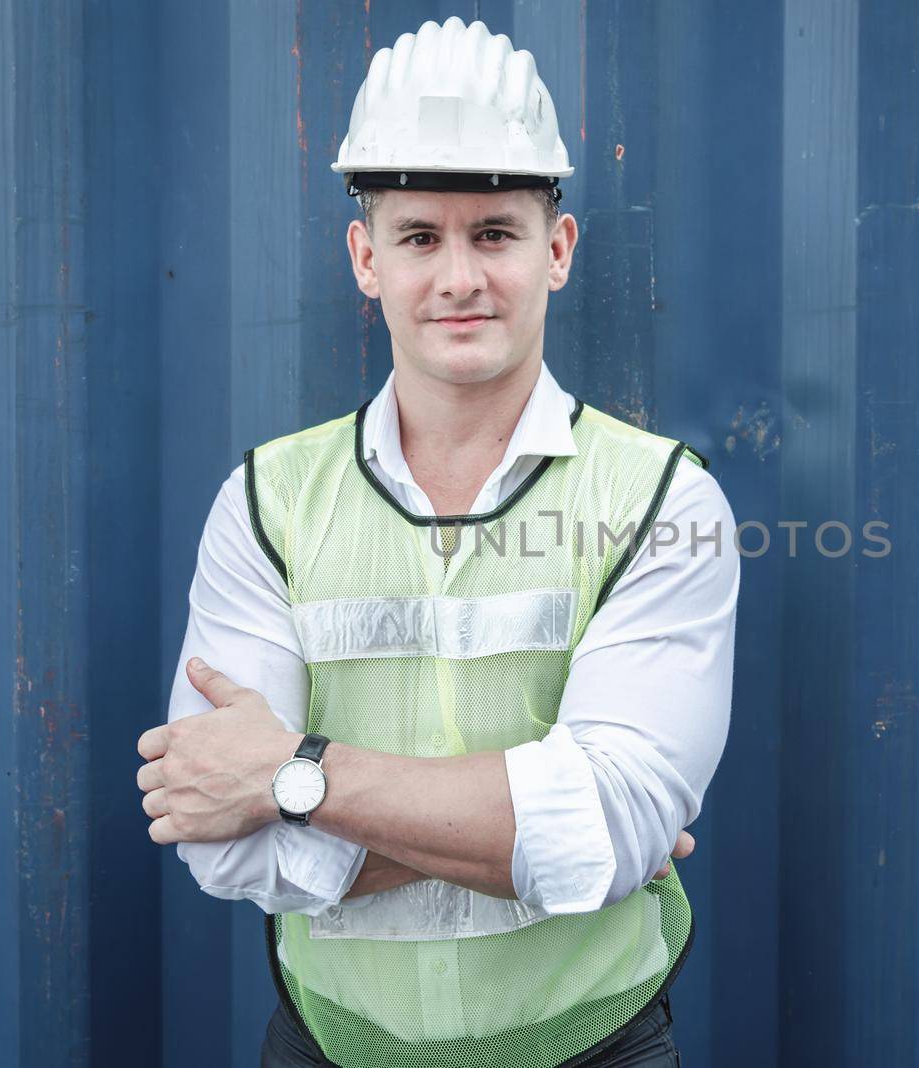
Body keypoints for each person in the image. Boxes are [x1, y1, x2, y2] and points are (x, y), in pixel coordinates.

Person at [134, 16, 738, 1068]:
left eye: (494, 233)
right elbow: (224, 853)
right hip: (331, 1046)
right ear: (366, 258)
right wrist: (541, 839)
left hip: (594, 1047)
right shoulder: (269, 501)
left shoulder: (661, 499)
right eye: (419, 236)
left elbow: (613, 825)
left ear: (556, 250)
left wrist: (292, 776)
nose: (458, 276)